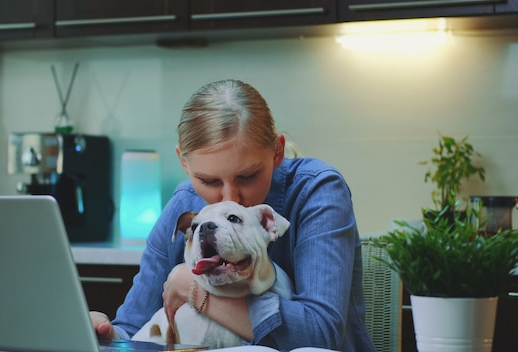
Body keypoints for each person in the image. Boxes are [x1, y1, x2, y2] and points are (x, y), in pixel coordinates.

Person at [90, 79, 376, 351]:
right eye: (209, 181)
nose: (229, 198)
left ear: (277, 152)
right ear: (184, 164)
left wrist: (193, 288)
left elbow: (319, 334)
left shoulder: (317, 190)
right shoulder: (184, 203)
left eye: (248, 176)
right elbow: (133, 328)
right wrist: (105, 333)